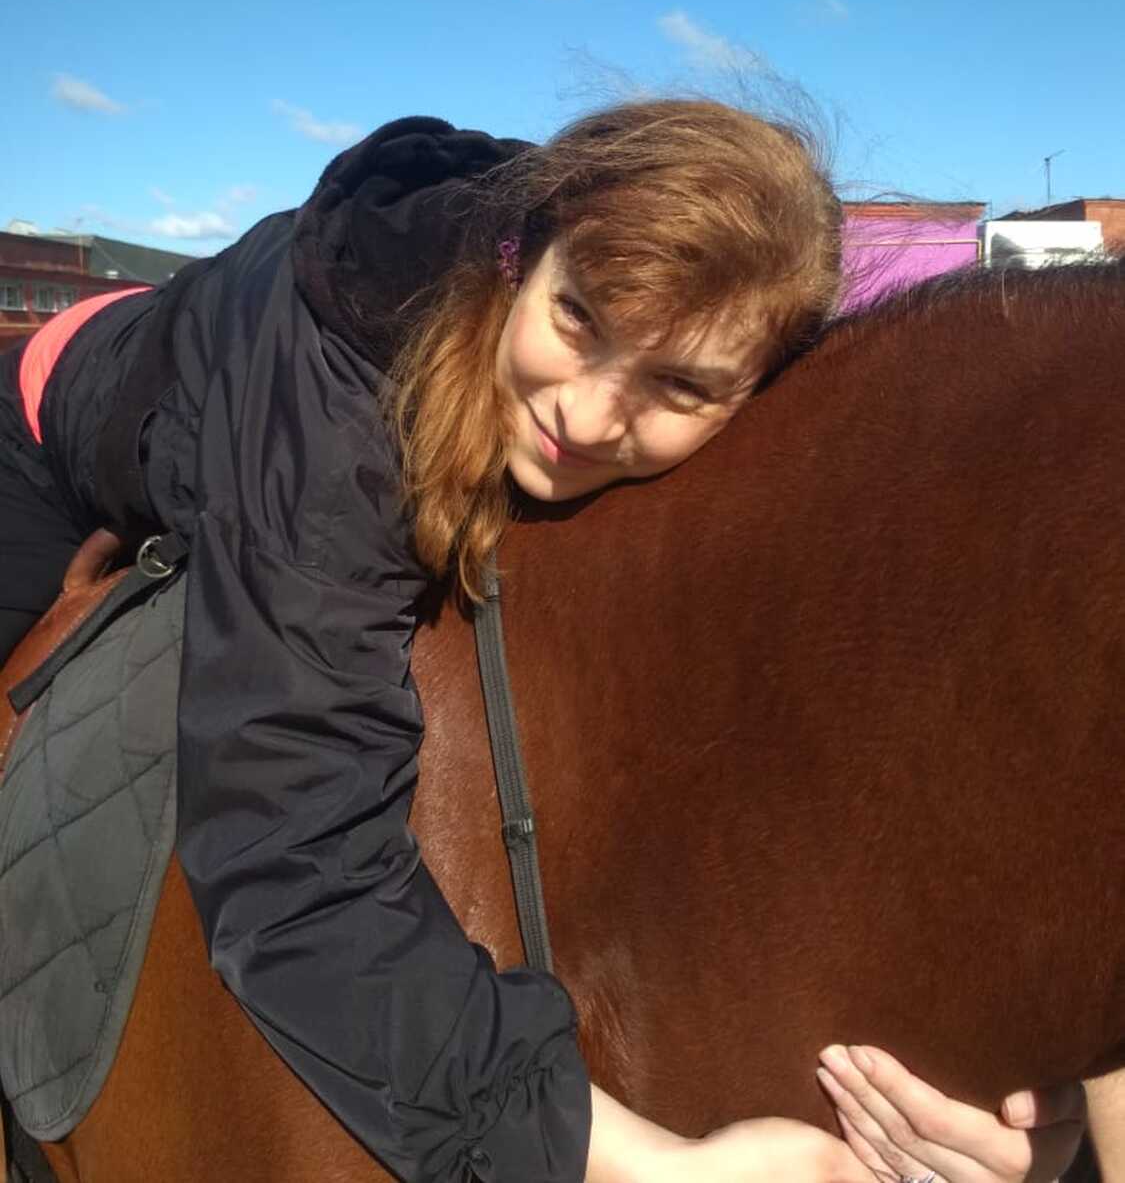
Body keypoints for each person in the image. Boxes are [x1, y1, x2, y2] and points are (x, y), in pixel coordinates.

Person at [0, 102, 1087, 1183]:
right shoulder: (335, 427)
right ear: (524, 254)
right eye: (578, 319)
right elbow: (287, 851)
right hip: (48, 440)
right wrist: (649, 1166)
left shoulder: (605, 337)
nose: (590, 416)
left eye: (679, 385)